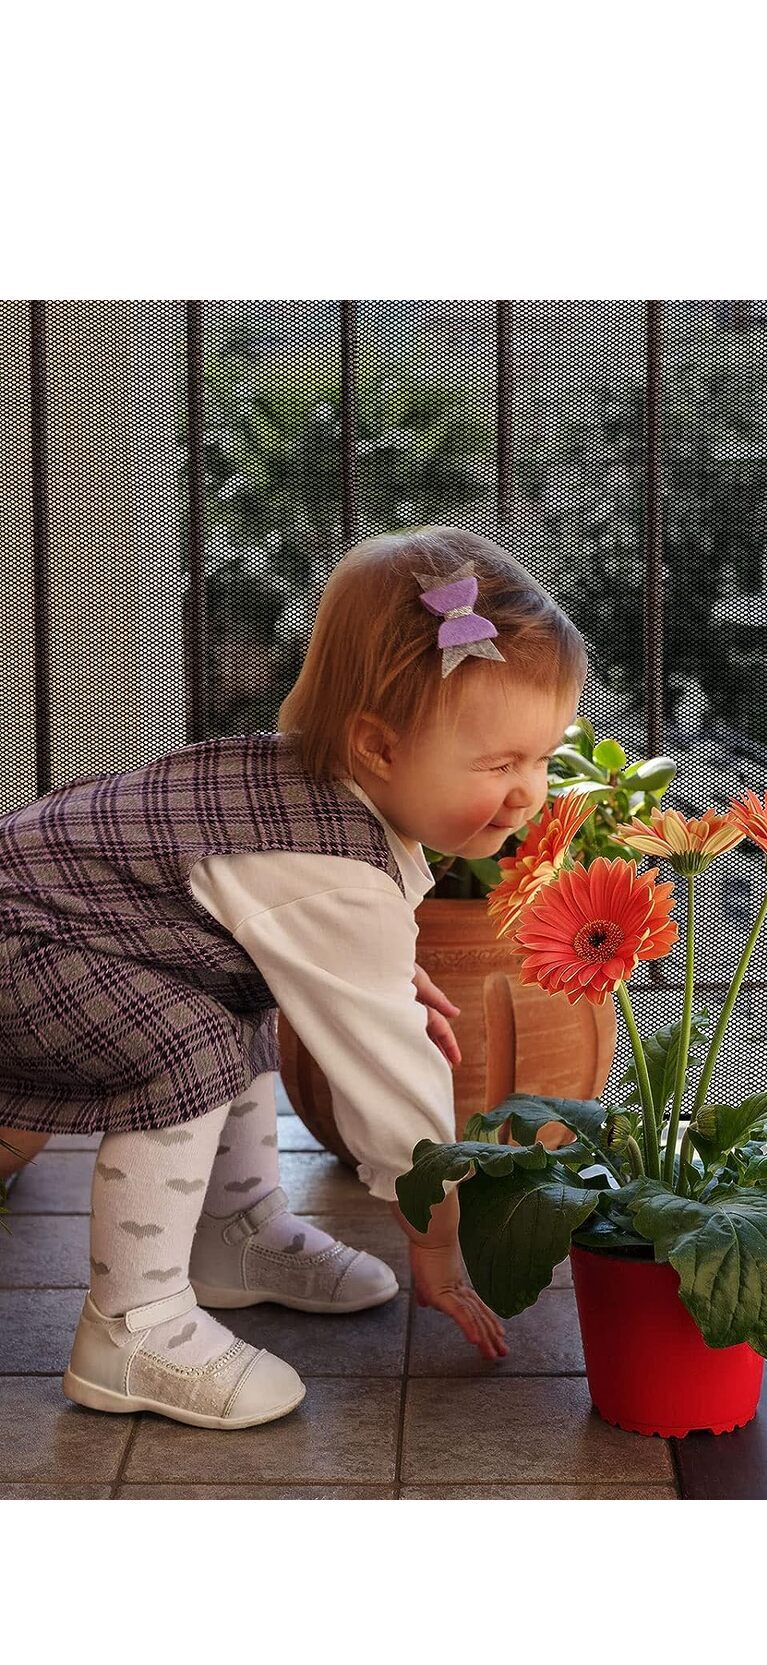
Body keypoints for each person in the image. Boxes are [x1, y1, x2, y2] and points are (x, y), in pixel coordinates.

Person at [0, 524, 588, 1429]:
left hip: (48, 926)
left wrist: (389, 979)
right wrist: (436, 1241)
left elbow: (325, 963)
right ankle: (131, 1328)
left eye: (544, 758)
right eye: (499, 763)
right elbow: (395, 1080)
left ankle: (233, 1238)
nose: (528, 794)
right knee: (185, 1042)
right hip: (20, 942)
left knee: (236, 1003)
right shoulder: (332, 867)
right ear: (378, 750)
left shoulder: (318, 794)